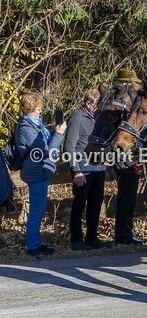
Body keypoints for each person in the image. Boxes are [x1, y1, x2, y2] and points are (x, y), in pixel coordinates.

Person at [14, 93, 67, 257]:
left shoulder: (36, 125)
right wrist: (58, 135)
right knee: (37, 210)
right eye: (38, 109)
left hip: (42, 171)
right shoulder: (27, 128)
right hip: (35, 172)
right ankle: (32, 246)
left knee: (39, 208)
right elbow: (44, 152)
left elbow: (46, 144)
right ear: (30, 110)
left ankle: (35, 242)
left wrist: (55, 132)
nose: (41, 111)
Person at [64, 88, 110, 251]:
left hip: (98, 166)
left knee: (96, 203)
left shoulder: (100, 118)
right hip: (82, 166)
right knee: (79, 203)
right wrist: (76, 170)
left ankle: (92, 236)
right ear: (88, 104)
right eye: (96, 105)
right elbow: (69, 147)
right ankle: (76, 238)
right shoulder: (78, 117)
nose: (98, 108)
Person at [111, 68, 147, 248]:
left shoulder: (123, 100)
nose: (135, 86)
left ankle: (126, 231)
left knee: (129, 197)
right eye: (133, 82)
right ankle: (123, 234)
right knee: (126, 196)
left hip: (127, 155)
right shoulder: (119, 101)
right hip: (123, 156)